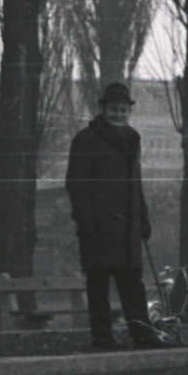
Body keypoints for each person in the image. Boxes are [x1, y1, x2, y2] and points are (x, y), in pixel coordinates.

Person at [64, 81, 165, 350]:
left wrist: (143, 219)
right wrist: (86, 222)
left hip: (127, 229)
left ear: (128, 111)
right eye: (114, 109)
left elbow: (136, 184)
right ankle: (102, 338)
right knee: (98, 285)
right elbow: (77, 184)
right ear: (104, 109)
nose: (119, 114)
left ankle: (144, 336)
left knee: (133, 286)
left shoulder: (132, 139)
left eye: (123, 110)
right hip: (98, 228)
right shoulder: (86, 140)